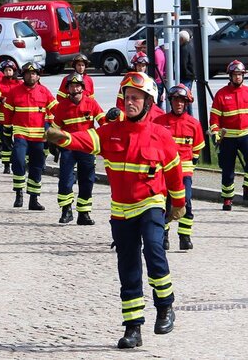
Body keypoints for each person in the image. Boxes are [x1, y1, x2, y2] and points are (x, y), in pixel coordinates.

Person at [45, 71, 183, 349]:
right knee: (128, 267)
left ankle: (165, 305)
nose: (129, 102)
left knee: (154, 249)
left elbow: (174, 172)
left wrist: (178, 204)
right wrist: (63, 138)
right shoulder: (111, 132)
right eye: (127, 97)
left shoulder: (161, 136)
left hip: (151, 203)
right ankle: (133, 328)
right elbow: (86, 140)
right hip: (121, 211)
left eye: (136, 98)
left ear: (148, 102)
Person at [49, 72, 104, 225]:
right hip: (69, 148)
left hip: (87, 148)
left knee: (87, 180)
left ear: (82, 88)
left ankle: (84, 214)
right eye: (72, 86)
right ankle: (66, 211)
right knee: (65, 180)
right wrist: (52, 144)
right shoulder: (62, 107)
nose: (74, 89)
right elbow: (55, 128)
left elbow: (103, 121)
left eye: (77, 86)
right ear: (68, 89)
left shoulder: (91, 104)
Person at [154, 84, 204, 250]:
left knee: (186, 202)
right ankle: (164, 236)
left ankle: (185, 236)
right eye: (175, 100)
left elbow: (197, 148)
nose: (178, 104)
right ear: (171, 101)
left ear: (187, 102)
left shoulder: (194, 124)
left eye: (182, 100)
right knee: (164, 204)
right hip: (164, 171)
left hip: (184, 172)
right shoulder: (159, 122)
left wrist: (191, 163)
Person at [208, 60, 248, 209]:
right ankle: (227, 199)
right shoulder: (221, 94)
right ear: (230, 76)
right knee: (228, 168)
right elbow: (214, 118)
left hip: (246, 134)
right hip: (228, 137)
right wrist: (215, 132)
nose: (238, 77)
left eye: (240, 74)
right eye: (235, 75)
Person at [3, 62, 55, 211]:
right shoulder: (14, 92)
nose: (31, 76)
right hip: (21, 135)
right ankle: (19, 193)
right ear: (23, 75)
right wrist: (6, 133)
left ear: (38, 76)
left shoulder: (44, 92)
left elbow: (56, 109)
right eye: (28, 73)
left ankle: (34, 199)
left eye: (34, 74)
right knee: (18, 161)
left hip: (38, 137)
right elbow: (7, 114)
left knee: (36, 167)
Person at [0, 59, 19, 174]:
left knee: (18, 141)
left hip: (17, 117)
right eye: (6, 70)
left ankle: (18, 162)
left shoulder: (19, 83)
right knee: (6, 141)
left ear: (13, 71)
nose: (8, 72)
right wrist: (1, 99)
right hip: (4, 116)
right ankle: (6, 165)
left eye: (10, 70)